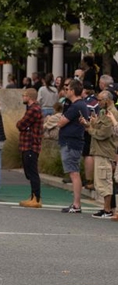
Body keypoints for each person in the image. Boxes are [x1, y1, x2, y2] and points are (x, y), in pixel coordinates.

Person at [82, 91, 117, 218]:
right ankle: (107, 208)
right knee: (101, 181)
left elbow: (104, 134)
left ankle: (108, 209)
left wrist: (89, 129)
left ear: (108, 100)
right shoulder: (104, 112)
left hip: (105, 151)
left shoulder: (111, 114)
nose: (98, 102)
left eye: (101, 100)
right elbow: (99, 128)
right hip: (100, 150)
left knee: (104, 180)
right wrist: (89, 124)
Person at [57, 79, 89, 213]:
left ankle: (76, 204)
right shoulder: (77, 104)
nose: (66, 90)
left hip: (71, 142)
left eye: (68, 88)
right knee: (73, 172)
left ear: (73, 91)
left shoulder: (76, 106)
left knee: (74, 173)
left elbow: (61, 122)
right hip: (72, 141)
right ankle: (76, 203)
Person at [17, 88, 44, 207]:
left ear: (30, 97)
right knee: (29, 172)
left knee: (32, 172)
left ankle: (36, 198)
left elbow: (21, 124)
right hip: (28, 144)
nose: (23, 97)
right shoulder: (32, 109)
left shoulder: (33, 110)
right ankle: (33, 195)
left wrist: (21, 125)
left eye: (24, 95)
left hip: (31, 144)